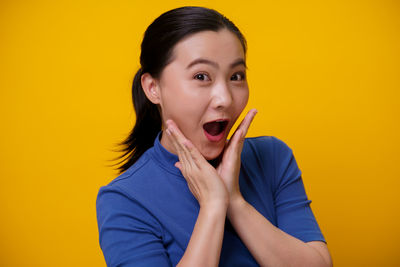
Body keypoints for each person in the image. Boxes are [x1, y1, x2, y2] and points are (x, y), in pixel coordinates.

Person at [96, 6, 332, 267]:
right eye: (201, 76)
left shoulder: (273, 157)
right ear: (153, 88)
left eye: (236, 76)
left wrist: (234, 201)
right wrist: (213, 206)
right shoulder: (125, 199)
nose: (225, 99)